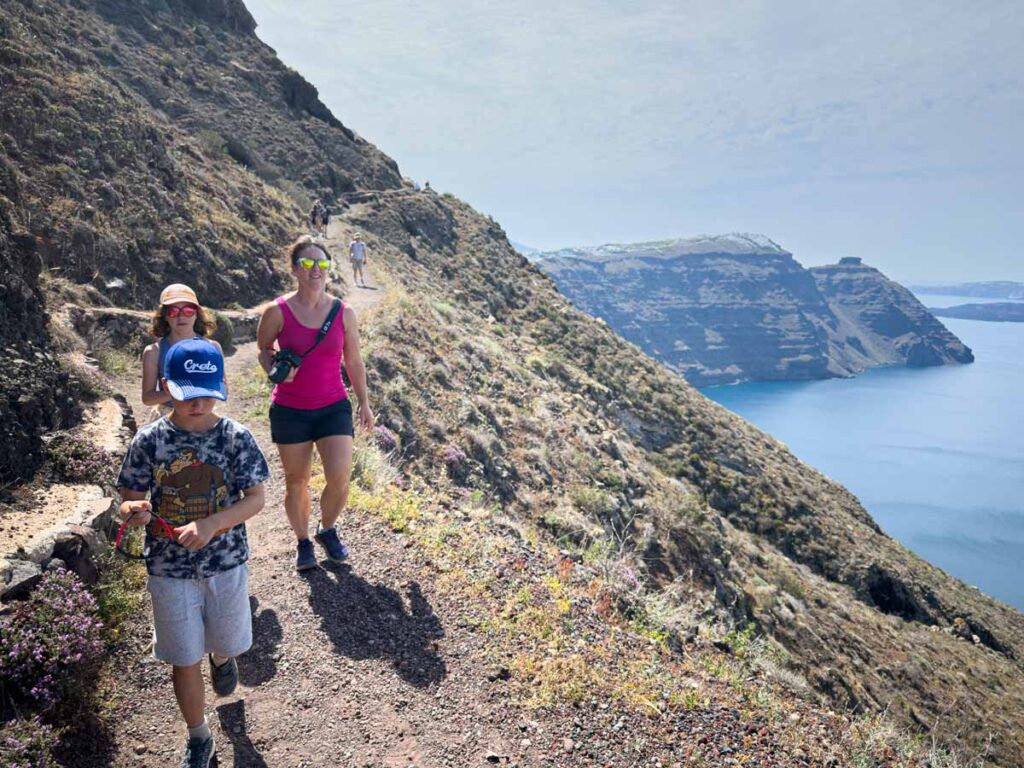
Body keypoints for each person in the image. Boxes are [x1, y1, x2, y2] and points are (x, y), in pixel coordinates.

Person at [116, 338, 270, 768]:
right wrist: (134, 511)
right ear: (166, 386)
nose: (197, 404)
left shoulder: (235, 437)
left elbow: (256, 498)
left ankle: (221, 657)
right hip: (168, 568)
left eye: (206, 394)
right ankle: (199, 735)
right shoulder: (149, 440)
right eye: (187, 394)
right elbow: (129, 497)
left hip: (226, 564)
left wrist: (211, 524)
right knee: (183, 657)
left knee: (228, 640)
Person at [256, 236, 374, 571]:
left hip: (333, 405)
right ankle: (303, 541)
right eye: (307, 263)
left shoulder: (343, 313)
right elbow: (263, 349)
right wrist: (275, 370)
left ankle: (327, 528)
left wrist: (364, 402)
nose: (316, 270)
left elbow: (354, 361)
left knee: (340, 477)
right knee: (297, 482)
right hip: (290, 409)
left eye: (322, 263)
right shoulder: (277, 311)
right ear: (295, 269)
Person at [142, 284, 226, 418]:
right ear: (165, 316)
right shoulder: (153, 352)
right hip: (168, 416)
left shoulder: (213, 348)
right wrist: (177, 391)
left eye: (188, 310)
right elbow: (147, 398)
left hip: (203, 417)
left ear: (197, 314)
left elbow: (224, 388)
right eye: (173, 311)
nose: (181, 317)